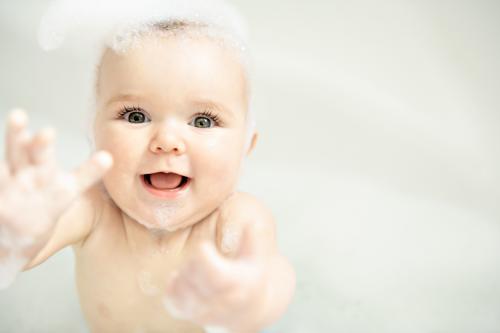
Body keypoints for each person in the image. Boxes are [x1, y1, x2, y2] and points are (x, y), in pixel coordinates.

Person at [0, 1, 295, 332]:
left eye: (202, 120)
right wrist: (15, 232)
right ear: (92, 131)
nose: (167, 140)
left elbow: (272, 273)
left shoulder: (237, 218)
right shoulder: (94, 208)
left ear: (246, 146)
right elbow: (30, 245)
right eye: (135, 116)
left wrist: (253, 297)